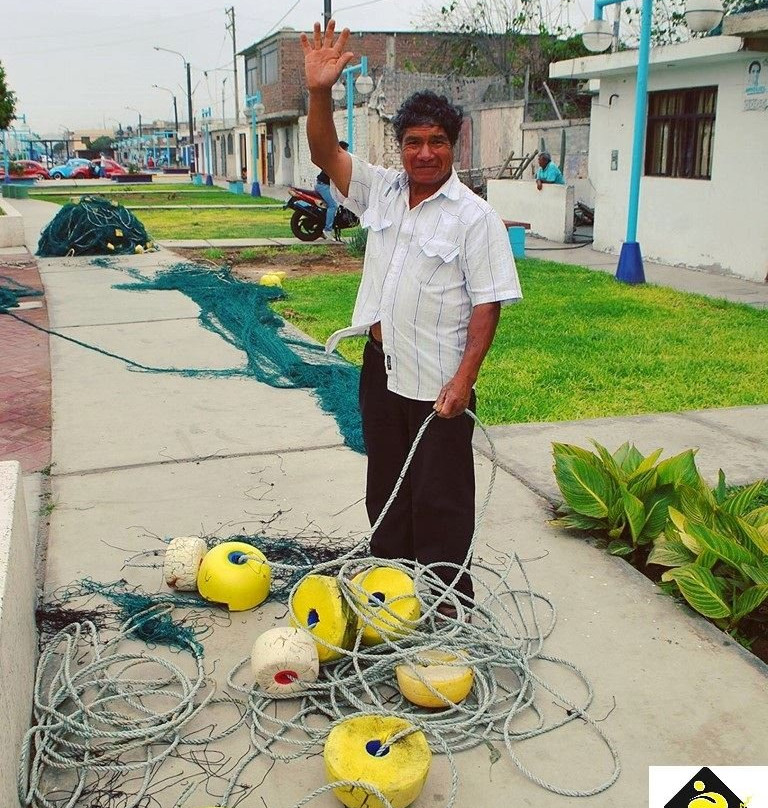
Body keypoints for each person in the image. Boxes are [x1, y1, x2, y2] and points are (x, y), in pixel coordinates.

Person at [301, 21, 522, 616]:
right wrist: (319, 92)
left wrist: (465, 380)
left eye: (437, 141)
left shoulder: (475, 219)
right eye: (413, 142)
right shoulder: (382, 191)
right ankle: (393, 591)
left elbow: (488, 304)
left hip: (439, 380)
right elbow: (325, 152)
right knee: (387, 487)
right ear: (399, 146)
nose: (425, 153)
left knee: (441, 496)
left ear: (455, 146)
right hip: (382, 368)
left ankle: (447, 605)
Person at [315, 140, 348, 238]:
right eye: (346, 150)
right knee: (333, 205)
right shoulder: (334, 161)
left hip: (326, 186)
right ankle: (327, 230)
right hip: (323, 186)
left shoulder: (336, 159)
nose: (346, 152)